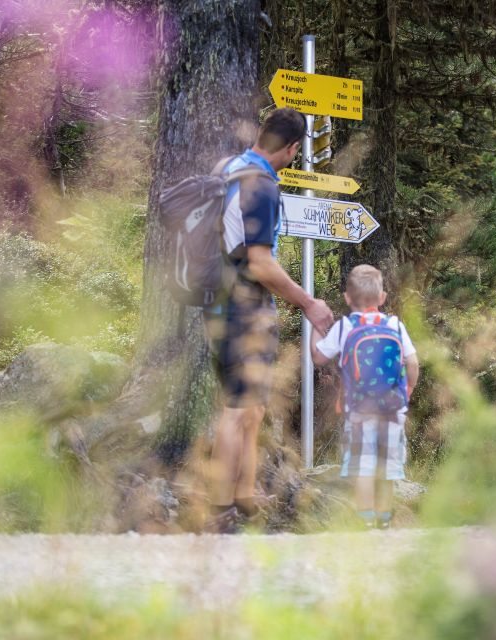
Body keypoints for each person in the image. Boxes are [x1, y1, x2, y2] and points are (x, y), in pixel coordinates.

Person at [205, 108, 334, 533]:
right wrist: (308, 303)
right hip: (242, 304)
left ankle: (243, 495)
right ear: (294, 149)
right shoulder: (259, 184)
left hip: (226, 300)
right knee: (237, 408)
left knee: (253, 406)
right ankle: (220, 506)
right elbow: (260, 262)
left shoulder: (228, 168)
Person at [311, 265, 420, 529]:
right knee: (387, 468)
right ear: (382, 298)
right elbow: (412, 362)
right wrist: (407, 391)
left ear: (348, 299)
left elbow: (318, 357)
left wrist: (316, 327)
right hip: (393, 410)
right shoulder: (394, 324)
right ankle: (384, 518)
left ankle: (365, 519)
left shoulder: (345, 326)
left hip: (359, 411)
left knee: (363, 467)